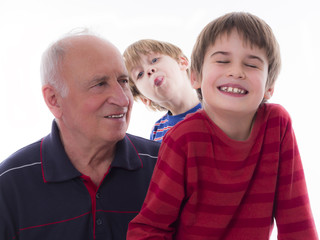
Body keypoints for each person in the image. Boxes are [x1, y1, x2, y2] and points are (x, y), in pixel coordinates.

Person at [127, 12, 319, 239]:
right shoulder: (181, 138)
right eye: (222, 61)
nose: (236, 72)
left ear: (269, 87)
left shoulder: (277, 124)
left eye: (251, 64)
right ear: (195, 76)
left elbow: (297, 222)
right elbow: (151, 227)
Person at [0, 30, 160, 240]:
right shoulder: (9, 185)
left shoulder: (167, 166)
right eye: (100, 84)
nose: (123, 100)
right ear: (54, 99)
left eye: (123, 81)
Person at [123, 39, 201, 142]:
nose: (149, 70)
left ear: (182, 62)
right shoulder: (157, 130)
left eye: (154, 60)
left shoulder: (218, 112)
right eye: (140, 74)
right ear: (145, 99)